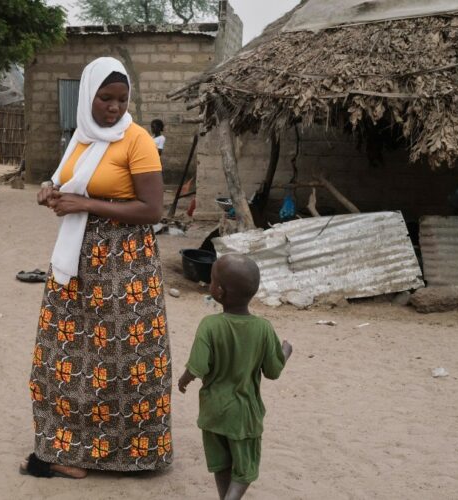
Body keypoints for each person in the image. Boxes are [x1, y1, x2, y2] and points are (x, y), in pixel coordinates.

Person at [22, 57, 171, 479]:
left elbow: (153, 209)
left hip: (124, 268)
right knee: (61, 356)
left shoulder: (137, 140)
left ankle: (131, 453)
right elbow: (66, 178)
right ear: (88, 96)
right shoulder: (82, 139)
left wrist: (84, 204)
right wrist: (50, 190)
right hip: (75, 262)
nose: (114, 107)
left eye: (121, 99)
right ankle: (69, 450)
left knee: (124, 360)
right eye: (105, 98)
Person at [178, 254, 293, 500]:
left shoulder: (209, 325)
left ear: (218, 290)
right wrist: (285, 351)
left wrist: (184, 380)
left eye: (211, 279)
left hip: (213, 412)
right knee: (244, 472)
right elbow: (273, 371)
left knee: (221, 464)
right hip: (243, 415)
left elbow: (196, 366)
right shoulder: (262, 328)